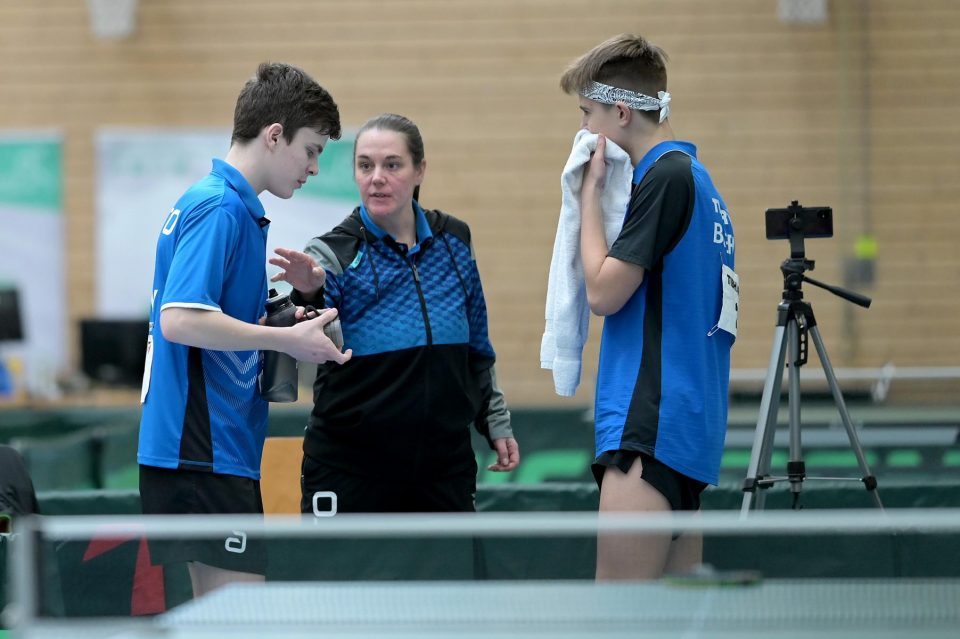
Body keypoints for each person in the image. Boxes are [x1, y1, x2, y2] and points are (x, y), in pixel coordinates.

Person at [137, 62, 352, 597]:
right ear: (274, 135)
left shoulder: (229, 206)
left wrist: (279, 320)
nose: (314, 168)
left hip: (210, 448)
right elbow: (180, 321)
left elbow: (208, 322)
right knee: (240, 619)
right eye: (312, 149)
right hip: (198, 449)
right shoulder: (219, 208)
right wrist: (284, 340)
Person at [270, 113, 519, 516]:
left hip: (445, 468)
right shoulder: (331, 252)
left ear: (420, 170)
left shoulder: (455, 240)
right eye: (365, 165)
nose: (377, 177)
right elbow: (313, 336)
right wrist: (310, 289)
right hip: (351, 470)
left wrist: (495, 422)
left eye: (392, 165)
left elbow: (476, 346)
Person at [559, 35, 737, 579]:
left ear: (620, 112)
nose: (585, 132)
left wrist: (588, 194)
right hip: (686, 438)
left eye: (588, 114)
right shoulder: (702, 182)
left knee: (619, 621)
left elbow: (602, 292)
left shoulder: (663, 177)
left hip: (648, 428)